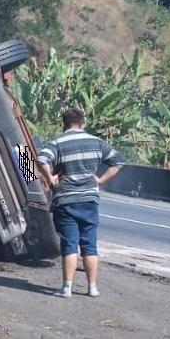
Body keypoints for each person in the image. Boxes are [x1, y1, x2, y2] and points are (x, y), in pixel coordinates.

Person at [36, 107, 124, 298]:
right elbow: (118, 162)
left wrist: (50, 178)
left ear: (64, 124)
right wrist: (100, 180)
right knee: (90, 245)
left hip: (66, 200)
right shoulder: (96, 142)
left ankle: (67, 288)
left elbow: (40, 159)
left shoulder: (57, 143)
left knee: (70, 244)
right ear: (83, 123)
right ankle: (92, 288)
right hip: (89, 200)